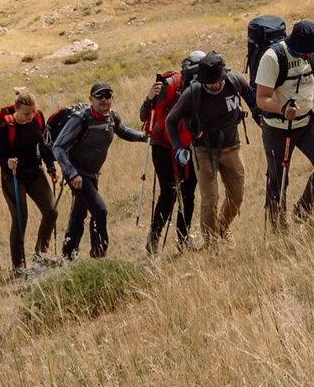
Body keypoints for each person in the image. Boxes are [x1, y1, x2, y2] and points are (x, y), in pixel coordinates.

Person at [256, 20, 314, 226]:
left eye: (313, 51)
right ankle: (279, 231)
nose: (310, 55)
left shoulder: (313, 53)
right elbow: (261, 98)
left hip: (306, 123)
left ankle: (302, 212)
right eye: (306, 52)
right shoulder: (273, 58)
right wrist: (283, 109)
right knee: (278, 180)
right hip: (277, 128)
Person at [54, 81, 148, 258]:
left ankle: (68, 255)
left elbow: (124, 131)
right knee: (100, 210)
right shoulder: (80, 119)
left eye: (108, 95)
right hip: (77, 174)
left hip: (92, 173)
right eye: (99, 96)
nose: (104, 100)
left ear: (112, 97)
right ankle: (99, 254)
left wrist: (145, 137)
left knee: (79, 213)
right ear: (91, 99)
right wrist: (72, 173)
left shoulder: (112, 117)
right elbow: (58, 146)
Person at [169, 51, 252, 242]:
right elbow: (170, 121)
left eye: (217, 80)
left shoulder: (235, 82)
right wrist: (179, 148)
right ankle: (211, 244)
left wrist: (260, 116)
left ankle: (222, 228)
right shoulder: (193, 93)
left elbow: (252, 98)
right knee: (210, 199)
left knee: (237, 196)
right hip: (203, 149)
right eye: (209, 82)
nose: (214, 85)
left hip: (232, 146)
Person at [0, 89, 60, 272]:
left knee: (51, 211)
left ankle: (41, 253)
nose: (31, 116)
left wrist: (51, 166)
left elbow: (43, 144)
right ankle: (18, 263)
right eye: (27, 113)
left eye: (33, 112)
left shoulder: (37, 118)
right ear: (17, 109)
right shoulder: (7, 126)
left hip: (35, 172)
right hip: (13, 176)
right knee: (20, 218)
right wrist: (8, 162)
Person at [142, 55, 202, 254]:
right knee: (168, 191)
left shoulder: (206, 87)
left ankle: (183, 240)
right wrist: (149, 98)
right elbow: (144, 115)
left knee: (188, 192)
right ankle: (154, 239)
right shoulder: (169, 86)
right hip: (163, 145)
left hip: (188, 145)